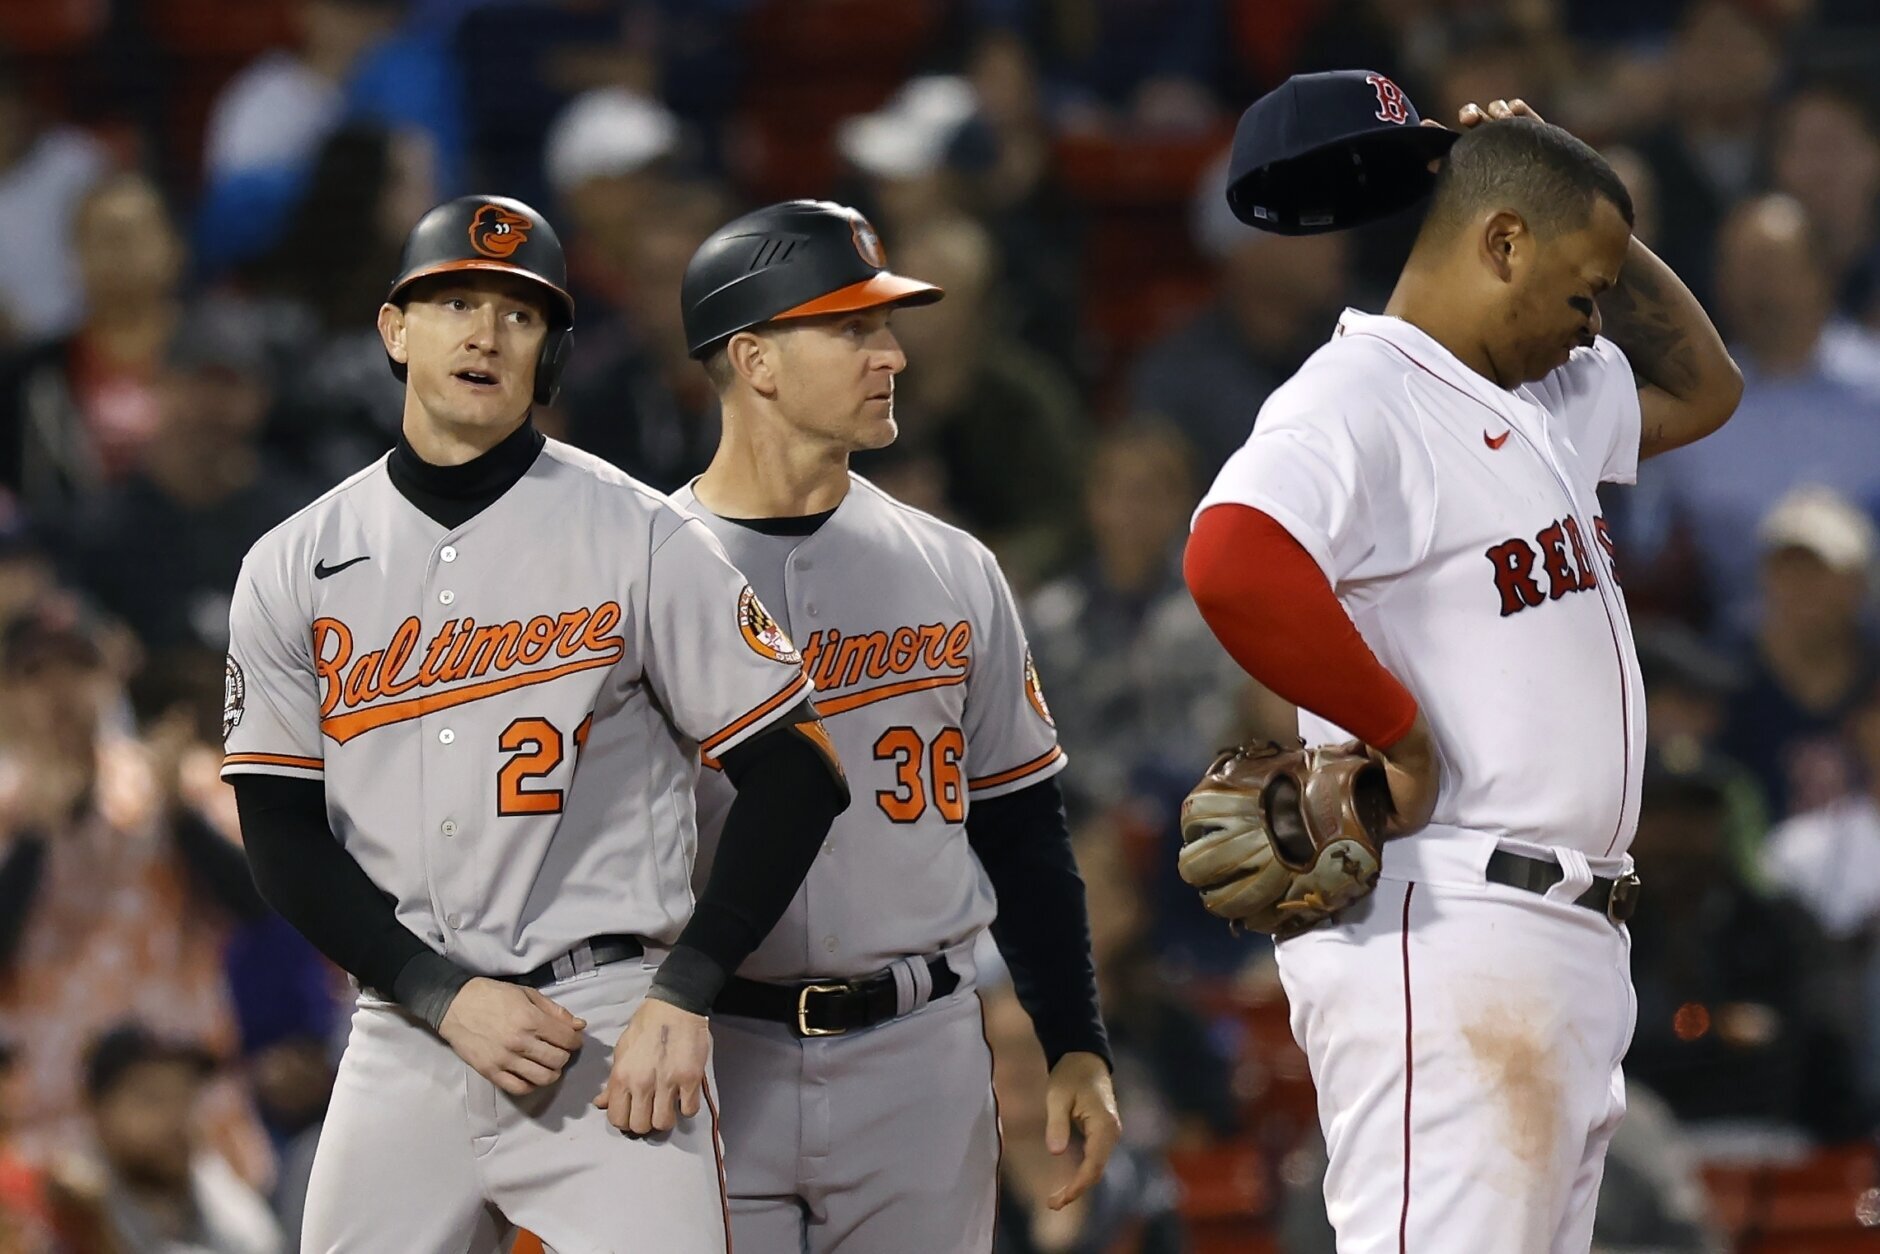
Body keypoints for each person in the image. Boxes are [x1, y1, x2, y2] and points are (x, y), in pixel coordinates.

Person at [221, 193, 850, 1252]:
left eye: (519, 315)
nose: (485, 334)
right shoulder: (294, 561)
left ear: (550, 354)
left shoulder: (640, 535)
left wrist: (689, 987)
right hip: (405, 1023)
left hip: (604, 1023)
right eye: (455, 304)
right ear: (394, 330)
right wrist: (435, 991)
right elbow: (278, 832)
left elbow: (800, 770)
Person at [1183, 87, 1743, 1251]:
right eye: (1581, 293)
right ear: (1500, 246)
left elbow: (1706, 387)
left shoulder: (1542, 396)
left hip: (1559, 937)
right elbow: (1230, 556)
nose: (1591, 326)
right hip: (1444, 921)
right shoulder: (1359, 393)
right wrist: (1394, 729)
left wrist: (1567, 189)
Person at [669, 198, 1120, 1252]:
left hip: (916, 1053)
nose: (894, 355)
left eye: (885, 325)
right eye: (852, 328)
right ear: (754, 360)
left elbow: (1021, 824)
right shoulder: (645, 574)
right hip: (713, 1052)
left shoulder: (952, 566)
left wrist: (1073, 1038)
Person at [82, 1026, 281, 1254]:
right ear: (98, 1112)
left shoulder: (219, 1189)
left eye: (185, 1096)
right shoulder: (69, 1206)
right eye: (152, 1099)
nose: (174, 1116)